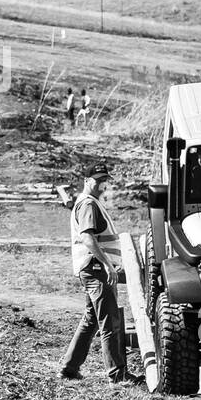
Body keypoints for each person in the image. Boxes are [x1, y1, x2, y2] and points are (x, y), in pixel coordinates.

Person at [60, 163, 137, 384]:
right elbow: (88, 238)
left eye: (104, 180)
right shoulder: (88, 205)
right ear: (86, 180)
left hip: (92, 267)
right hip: (95, 267)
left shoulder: (90, 203)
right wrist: (107, 264)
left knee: (91, 320)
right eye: (97, 180)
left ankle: (69, 368)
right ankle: (117, 374)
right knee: (109, 321)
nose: (102, 184)